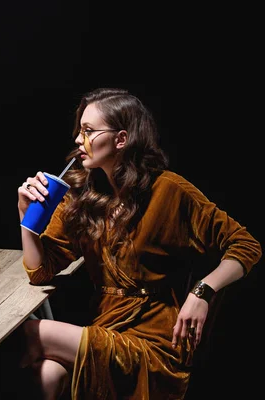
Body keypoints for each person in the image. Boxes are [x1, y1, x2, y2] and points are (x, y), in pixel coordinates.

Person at [16, 87, 261, 399]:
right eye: (79, 131)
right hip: (106, 326)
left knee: (31, 333)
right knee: (46, 374)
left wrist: (203, 291)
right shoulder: (83, 198)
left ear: (121, 139)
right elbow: (40, 273)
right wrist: (28, 219)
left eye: (89, 131)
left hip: (158, 340)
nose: (79, 140)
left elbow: (246, 245)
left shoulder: (169, 190)